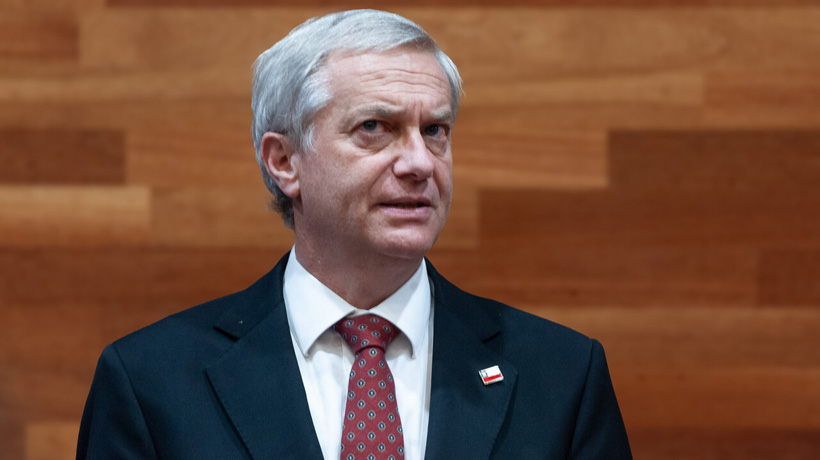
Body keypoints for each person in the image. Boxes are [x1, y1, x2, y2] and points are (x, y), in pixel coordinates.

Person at [77, 9, 631, 460]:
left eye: (434, 130)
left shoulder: (561, 375)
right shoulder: (152, 384)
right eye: (374, 128)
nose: (420, 162)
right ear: (285, 161)